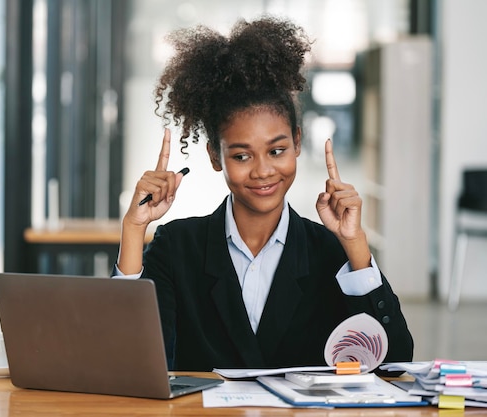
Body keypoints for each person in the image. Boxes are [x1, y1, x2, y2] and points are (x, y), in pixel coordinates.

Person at [113, 15, 413, 371]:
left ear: (297, 143)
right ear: (215, 156)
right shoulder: (177, 246)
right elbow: (129, 359)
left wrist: (356, 243)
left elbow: (394, 360)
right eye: (241, 155)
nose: (263, 171)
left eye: (276, 150)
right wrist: (133, 230)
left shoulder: (329, 251)